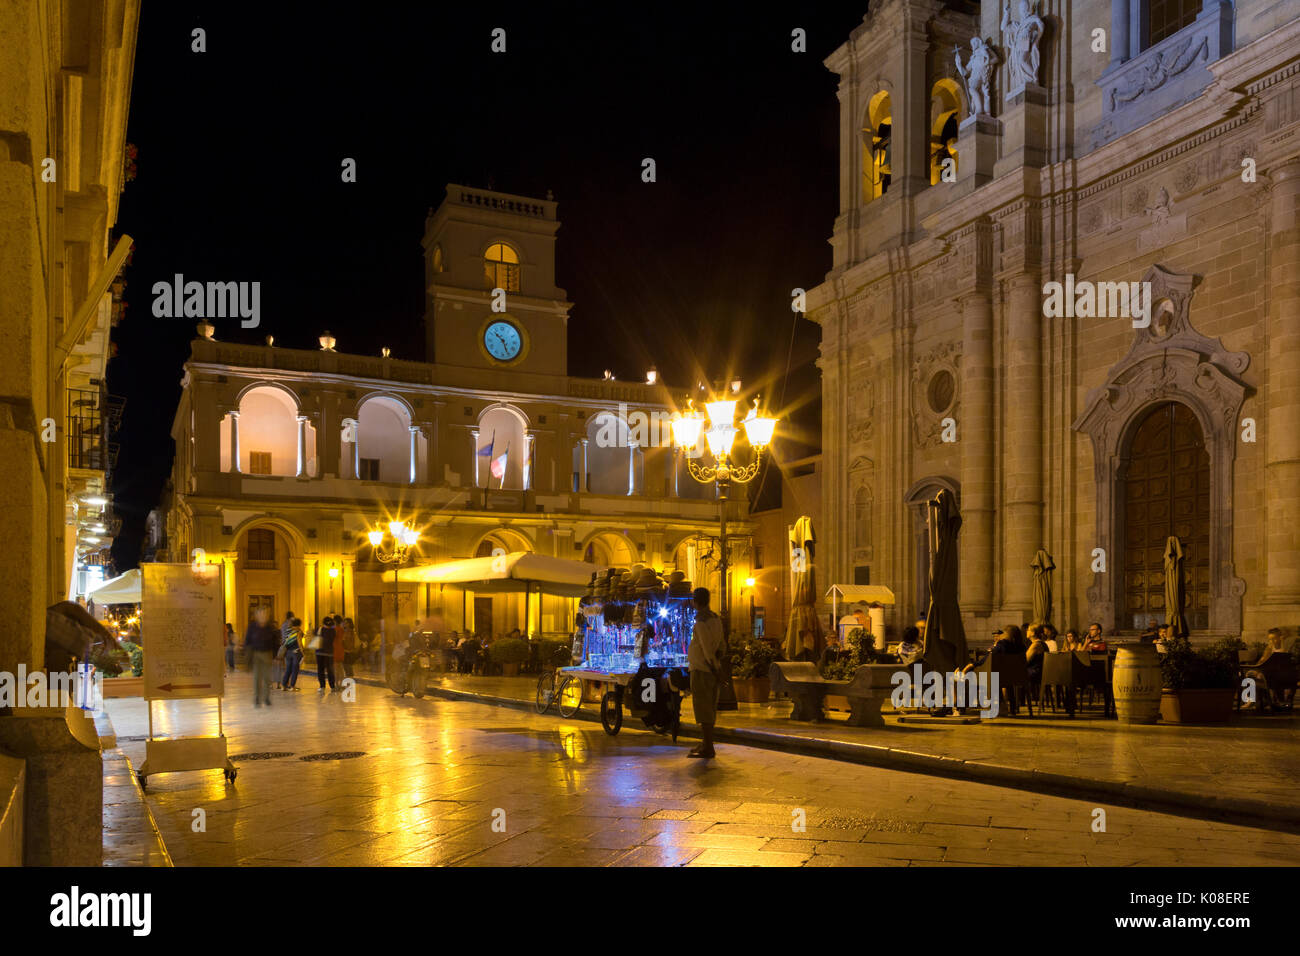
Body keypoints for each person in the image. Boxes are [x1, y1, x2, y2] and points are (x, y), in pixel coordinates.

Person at [687, 587, 726, 759]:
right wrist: (718, 663)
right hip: (712, 667)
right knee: (710, 708)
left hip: (703, 669)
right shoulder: (716, 619)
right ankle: (706, 743)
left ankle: (708, 747)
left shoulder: (701, 622)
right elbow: (721, 645)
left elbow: (705, 648)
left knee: (703, 709)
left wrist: (713, 667)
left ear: (695, 602)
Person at [1245, 628, 1295, 711]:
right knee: (1249, 675)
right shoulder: (1268, 649)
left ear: (1280, 637)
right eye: (1270, 639)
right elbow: (1262, 661)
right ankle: (1252, 699)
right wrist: (1257, 669)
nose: (1273, 641)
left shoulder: (1284, 648)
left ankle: (1260, 700)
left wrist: (1282, 642)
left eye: (1274, 638)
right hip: (1265, 672)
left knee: (1260, 676)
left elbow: (1283, 657)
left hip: (1278, 675)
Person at [245, 606, 280, 707]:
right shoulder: (252, 627)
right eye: (261, 614)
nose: (263, 616)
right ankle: (257, 698)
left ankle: (266, 698)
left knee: (267, 678)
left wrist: (276, 656)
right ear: (257, 615)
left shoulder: (270, 627)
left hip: (267, 654)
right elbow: (248, 640)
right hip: (256, 654)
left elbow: (275, 642)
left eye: (265, 614)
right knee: (257, 677)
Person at [282, 617, 305, 690]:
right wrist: (303, 653)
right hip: (296, 652)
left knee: (288, 669)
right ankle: (292, 686)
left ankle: (284, 685)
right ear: (299, 624)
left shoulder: (288, 630)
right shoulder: (298, 632)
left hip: (288, 652)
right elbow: (300, 643)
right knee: (295, 669)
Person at [316, 615, 337, 694]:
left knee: (320, 670)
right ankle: (332, 686)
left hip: (319, 652)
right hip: (329, 653)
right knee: (330, 670)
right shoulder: (333, 631)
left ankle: (322, 686)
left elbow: (315, 635)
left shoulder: (318, 629)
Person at [332, 612, 349, 682]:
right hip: (341, 649)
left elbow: (332, 639)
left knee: (335, 668)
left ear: (335, 621)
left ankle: (336, 684)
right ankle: (342, 683)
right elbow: (343, 639)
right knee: (341, 667)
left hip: (335, 649)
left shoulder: (334, 629)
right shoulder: (342, 629)